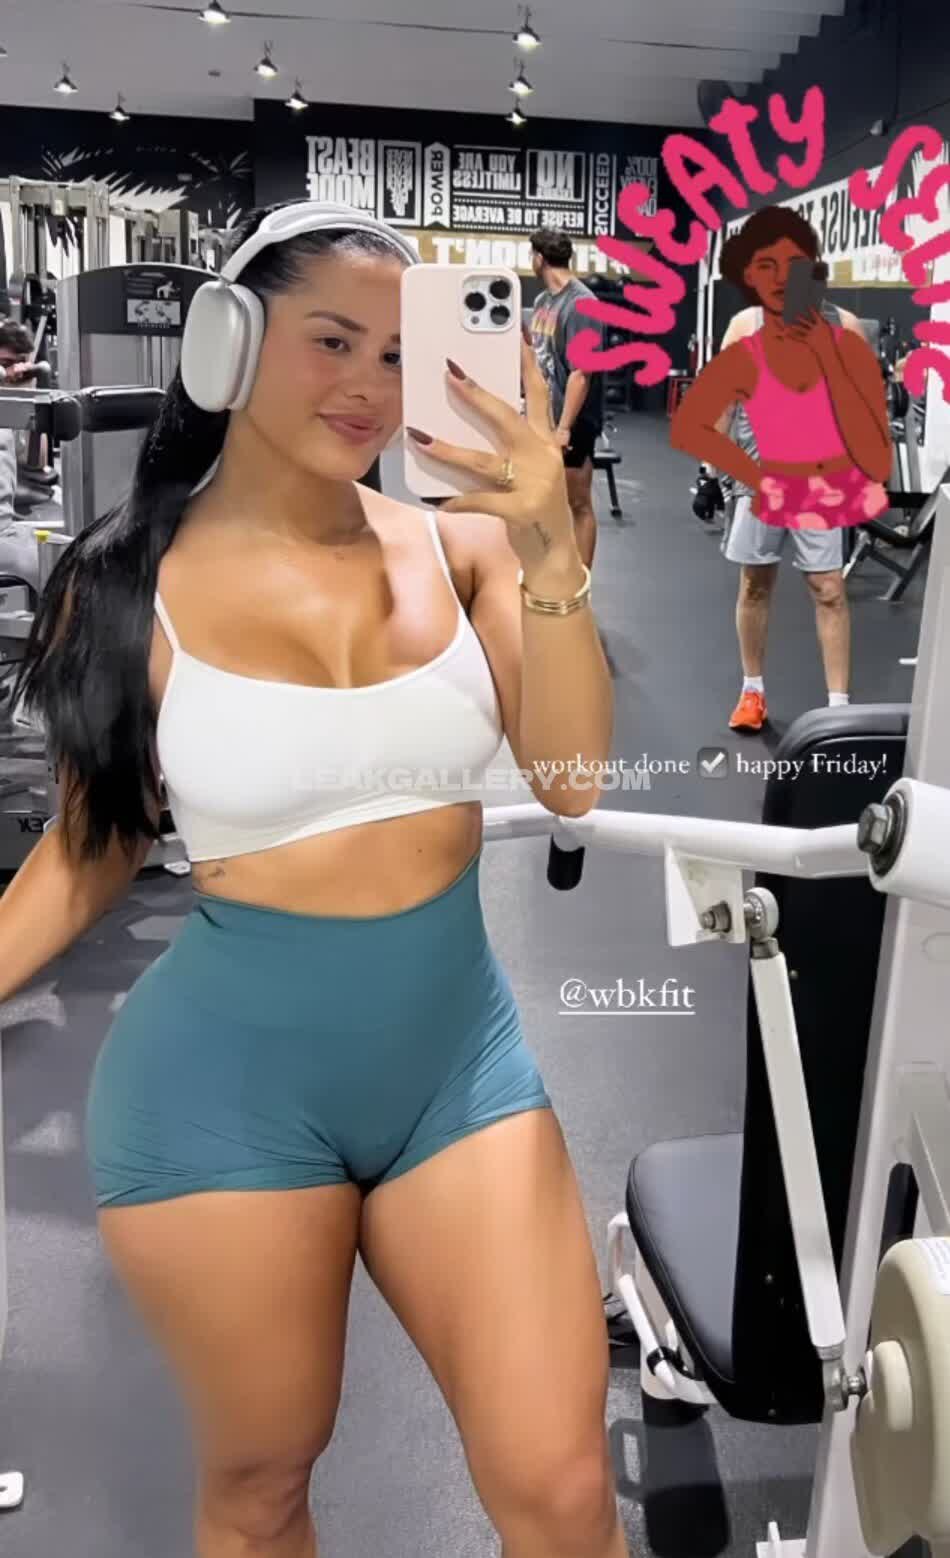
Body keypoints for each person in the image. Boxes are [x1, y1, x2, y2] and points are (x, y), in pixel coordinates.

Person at [4, 202, 625, 1558]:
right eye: (331, 341)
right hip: (221, 1096)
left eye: (398, 353)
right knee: (262, 1487)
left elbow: (574, 775)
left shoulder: (462, 550)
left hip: (456, 1071)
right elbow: (88, 854)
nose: (369, 386)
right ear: (228, 340)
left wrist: (549, 549)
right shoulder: (126, 585)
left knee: (564, 1488)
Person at [672, 207, 891, 732]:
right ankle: (752, 692)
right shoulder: (745, 326)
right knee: (755, 584)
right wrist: (708, 473)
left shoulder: (845, 328)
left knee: (829, 588)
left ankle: (838, 708)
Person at [529, 227, 605, 570]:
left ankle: (582, 582)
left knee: (578, 503)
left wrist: (563, 428)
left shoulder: (582, 304)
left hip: (572, 421)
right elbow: (539, 357)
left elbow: (581, 373)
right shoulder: (543, 302)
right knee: (545, 500)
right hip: (543, 417)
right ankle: (552, 569)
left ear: (539, 258)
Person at [0, 318, 43, 593]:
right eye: (5, 363)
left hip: (6, 529)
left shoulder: (8, 409)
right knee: (43, 568)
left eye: (19, 363)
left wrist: (30, 398)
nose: (14, 370)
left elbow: (35, 461)